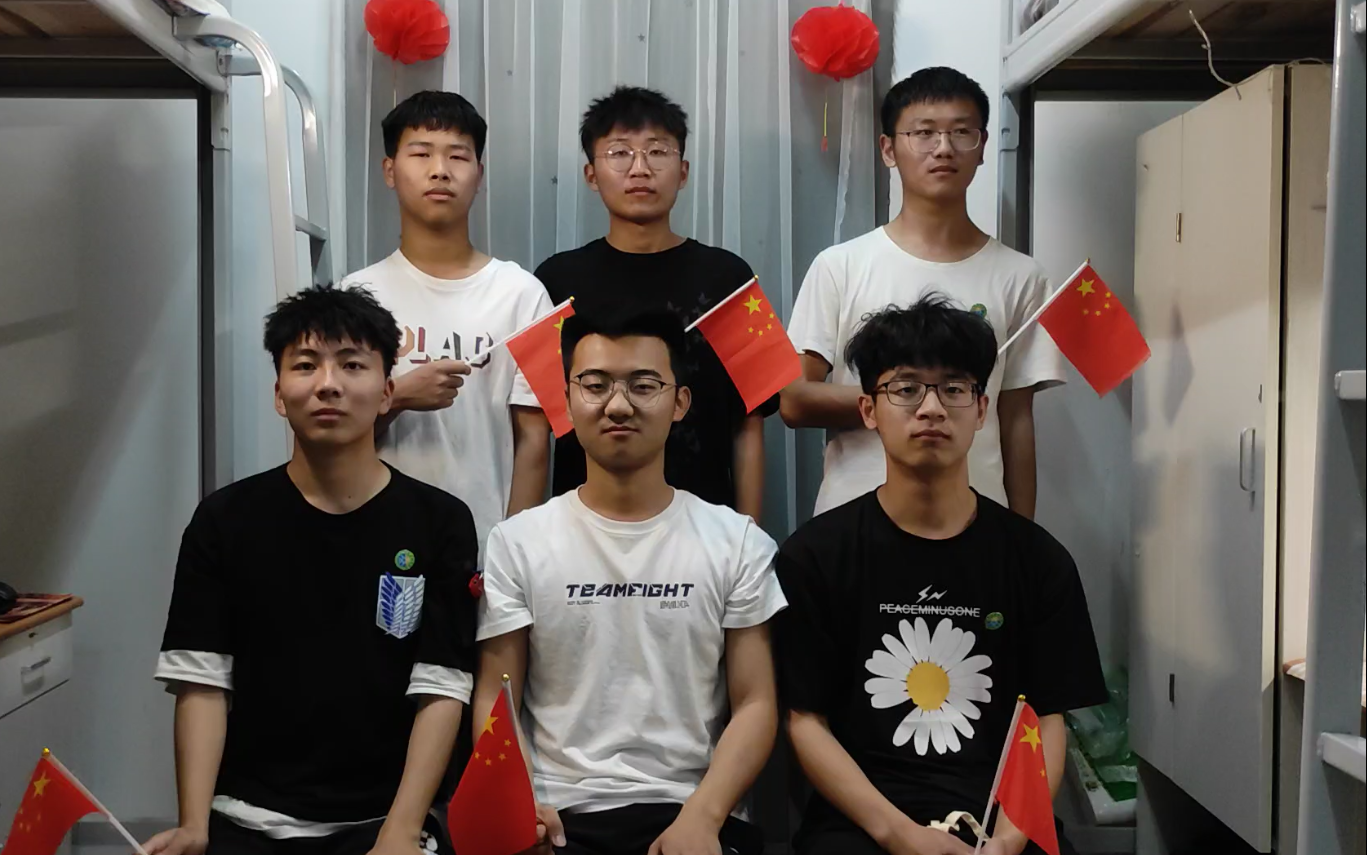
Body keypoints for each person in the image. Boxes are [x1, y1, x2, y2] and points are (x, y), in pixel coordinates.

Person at [146, 286, 478, 855]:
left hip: (388, 819)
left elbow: (442, 688)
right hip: (247, 815)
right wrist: (195, 825)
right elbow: (202, 681)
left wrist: (400, 831)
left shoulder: (440, 521)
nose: (328, 384)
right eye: (305, 365)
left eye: (352, 365)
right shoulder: (224, 519)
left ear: (387, 392)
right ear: (279, 394)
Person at [773, 298, 1106, 855]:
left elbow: (1048, 719)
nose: (931, 408)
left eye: (953, 389)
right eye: (905, 388)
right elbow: (804, 720)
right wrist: (900, 835)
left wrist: (1009, 839)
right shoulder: (815, 556)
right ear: (868, 410)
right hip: (861, 826)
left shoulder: (1038, 561)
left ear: (982, 409)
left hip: (999, 821)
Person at [472, 311, 786, 855]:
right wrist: (520, 808)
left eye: (643, 386)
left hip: (693, 810)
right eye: (595, 386)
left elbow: (757, 702)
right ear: (566, 401)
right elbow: (496, 696)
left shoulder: (736, 542)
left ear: (680, 402)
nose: (618, 406)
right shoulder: (517, 542)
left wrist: (703, 818)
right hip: (560, 817)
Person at [781, 67, 1063, 520]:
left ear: (982, 146)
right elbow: (793, 399)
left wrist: (1022, 542)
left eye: (962, 132)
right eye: (924, 133)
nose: (944, 148)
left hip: (976, 522)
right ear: (888, 149)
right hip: (855, 521)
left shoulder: (1021, 277)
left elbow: (1015, 420)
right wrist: (905, 398)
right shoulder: (841, 265)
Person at [534, 86, 770, 520]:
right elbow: (539, 424)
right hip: (582, 526)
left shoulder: (731, 276)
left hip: (706, 526)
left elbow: (751, 423)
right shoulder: (553, 281)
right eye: (619, 153)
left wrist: (750, 533)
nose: (640, 169)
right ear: (591, 174)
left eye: (658, 152)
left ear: (683, 172)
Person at [340, 90, 553, 558]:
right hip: (373, 540)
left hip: (485, 548)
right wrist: (397, 397)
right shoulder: (355, 294)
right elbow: (332, 432)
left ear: (479, 173)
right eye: (421, 154)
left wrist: (511, 556)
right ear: (390, 171)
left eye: (457, 156)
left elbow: (535, 440)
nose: (440, 170)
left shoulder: (525, 294)